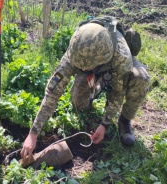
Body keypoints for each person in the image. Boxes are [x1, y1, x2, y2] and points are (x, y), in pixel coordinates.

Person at [20, 17, 150, 161]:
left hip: (113, 69)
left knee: (141, 79)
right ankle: (92, 95)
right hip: (95, 69)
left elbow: (118, 93)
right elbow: (53, 92)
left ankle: (125, 121)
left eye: (85, 67)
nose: (81, 68)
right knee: (78, 100)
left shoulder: (122, 57)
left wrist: (104, 124)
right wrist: (33, 133)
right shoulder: (77, 49)